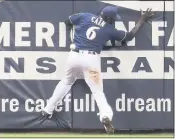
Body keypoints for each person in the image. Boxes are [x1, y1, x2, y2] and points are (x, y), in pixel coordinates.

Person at [41, 6, 154, 134]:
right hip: (91, 60)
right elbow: (129, 36)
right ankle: (105, 116)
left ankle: (47, 109)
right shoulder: (109, 29)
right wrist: (142, 19)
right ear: (109, 18)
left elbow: (68, 21)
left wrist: (75, 34)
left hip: (74, 55)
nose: (114, 21)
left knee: (66, 82)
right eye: (113, 19)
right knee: (97, 92)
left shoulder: (85, 16)